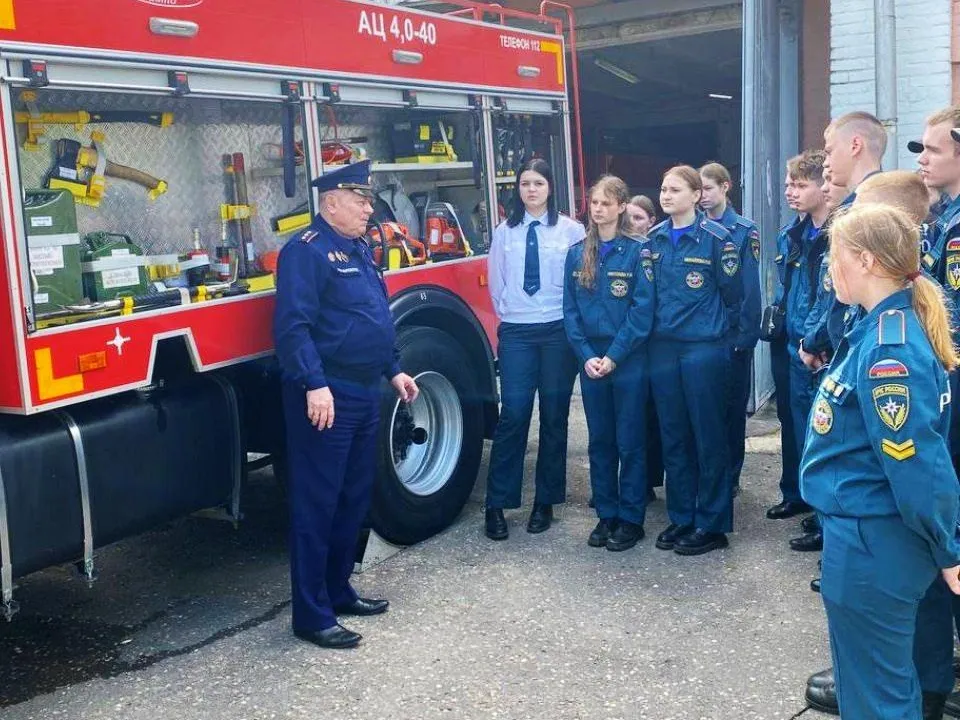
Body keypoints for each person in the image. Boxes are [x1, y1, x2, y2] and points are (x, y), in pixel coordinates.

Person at [800, 202, 960, 719]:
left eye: (836, 258)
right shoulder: (873, 327)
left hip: (874, 542)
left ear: (866, 261)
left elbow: (920, 467)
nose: (830, 270)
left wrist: (948, 547)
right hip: (866, 534)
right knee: (867, 684)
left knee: (879, 699)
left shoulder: (890, 351)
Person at [273, 160, 420, 650]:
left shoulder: (356, 248)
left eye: (368, 200)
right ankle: (312, 615)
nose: (368, 208)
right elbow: (293, 327)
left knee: (354, 499)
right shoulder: (306, 253)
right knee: (319, 503)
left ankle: (338, 589)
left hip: (366, 390)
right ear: (331, 202)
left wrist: (393, 368)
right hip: (328, 396)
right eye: (360, 200)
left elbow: (373, 315)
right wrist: (314, 384)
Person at [484, 158, 584, 540]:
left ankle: (545, 501)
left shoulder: (571, 231)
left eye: (538, 183)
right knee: (513, 415)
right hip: (519, 334)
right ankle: (497, 504)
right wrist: (514, 317)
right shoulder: (504, 233)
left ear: (550, 188)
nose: (530, 190)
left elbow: (579, 284)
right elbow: (497, 285)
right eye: (525, 183)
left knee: (555, 416)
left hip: (557, 332)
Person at [647, 165, 742, 555]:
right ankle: (682, 516)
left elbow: (735, 295)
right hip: (663, 349)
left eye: (674, 189)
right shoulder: (652, 241)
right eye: (663, 189)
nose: (665, 196)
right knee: (674, 436)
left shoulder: (718, 240)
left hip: (704, 348)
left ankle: (713, 523)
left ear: (694, 196)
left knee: (709, 436)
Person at [563, 175, 655, 551]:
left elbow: (642, 312)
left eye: (605, 203)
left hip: (627, 357)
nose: (598, 209)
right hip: (591, 361)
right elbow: (569, 313)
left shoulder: (638, 252)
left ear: (621, 206)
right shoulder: (576, 253)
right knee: (600, 441)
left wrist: (613, 357)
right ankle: (607, 512)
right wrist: (586, 357)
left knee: (630, 440)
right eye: (594, 203)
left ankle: (631, 518)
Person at [765, 151, 831, 530]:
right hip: (790, 342)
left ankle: (823, 515)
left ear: (823, 187)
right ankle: (796, 495)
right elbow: (785, 288)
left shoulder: (836, 232)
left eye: (800, 184)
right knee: (791, 424)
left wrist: (814, 338)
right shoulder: (790, 233)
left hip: (817, 346)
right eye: (789, 183)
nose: (791, 191)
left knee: (819, 428)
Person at [799, 112, 886, 372]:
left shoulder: (870, 209)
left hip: (860, 351)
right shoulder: (855, 205)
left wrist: (813, 343)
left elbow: (843, 294)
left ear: (855, 145)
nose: (826, 162)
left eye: (829, 151)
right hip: (847, 348)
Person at [699, 162, 761, 498]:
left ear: (725, 187)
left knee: (733, 409)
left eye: (709, 188)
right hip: (704, 333)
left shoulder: (742, 229)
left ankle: (732, 474)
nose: (704, 196)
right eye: (700, 190)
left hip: (733, 331)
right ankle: (709, 472)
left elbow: (750, 288)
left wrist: (745, 336)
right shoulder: (696, 228)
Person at [626, 194, 665, 500]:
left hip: (660, 343)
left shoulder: (657, 247)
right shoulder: (623, 250)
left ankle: (653, 477)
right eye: (629, 217)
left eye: (639, 218)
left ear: (652, 221)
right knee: (633, 417)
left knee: (658, 416)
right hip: (632, 346)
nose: (632, 223)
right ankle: (639, 480)